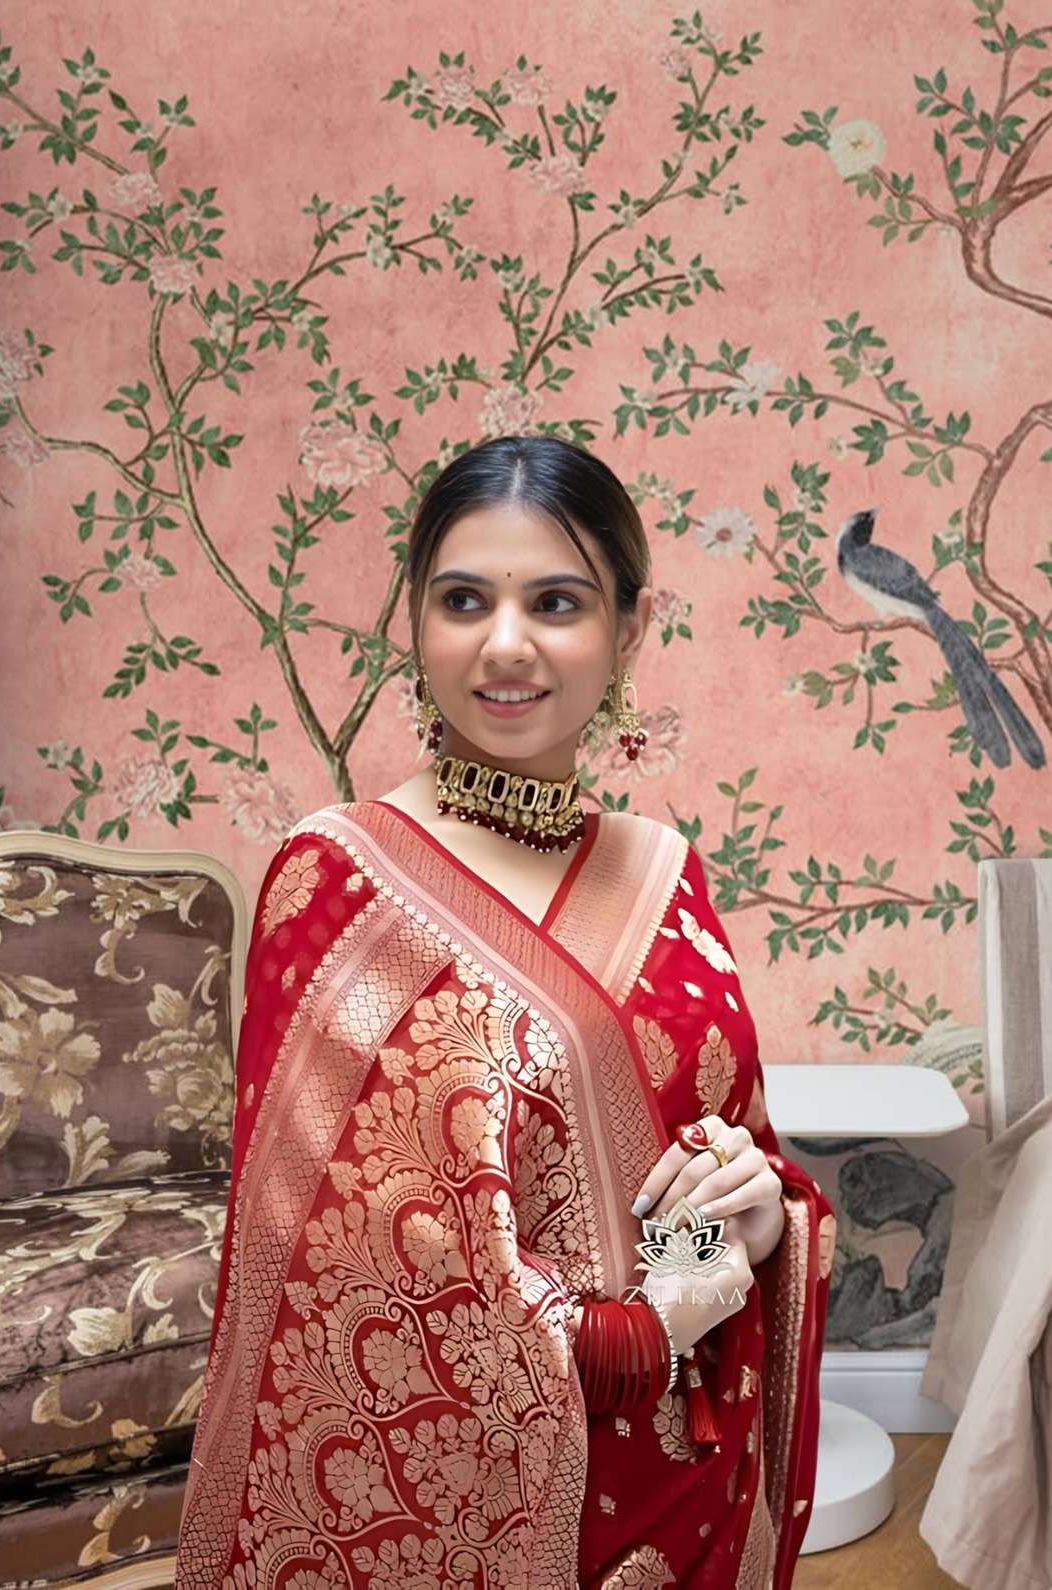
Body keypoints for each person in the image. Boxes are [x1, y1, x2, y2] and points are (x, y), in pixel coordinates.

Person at [175, 435, 836, 1589]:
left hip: (682, 1478)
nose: (506, 644)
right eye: (464, 599)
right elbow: (358, 1294)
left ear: (628, 632)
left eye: (558, 601)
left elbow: (698, 1167)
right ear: (416, 623)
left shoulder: (664, 870)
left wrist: (760, 1221)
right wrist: (641, 1337)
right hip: (490, 1511)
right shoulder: (338, 883)